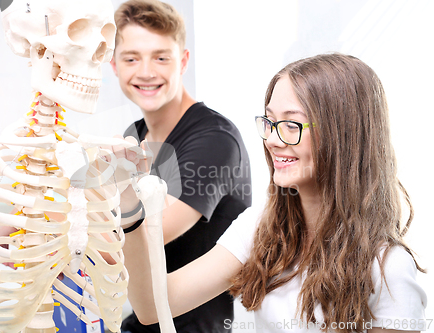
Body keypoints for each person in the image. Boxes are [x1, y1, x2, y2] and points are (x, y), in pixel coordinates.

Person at [120, 53, 427, 333]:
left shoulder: (388, 269)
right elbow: (152, 307)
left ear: (343, 133)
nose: (272, 140)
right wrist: (130, 211)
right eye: (269, 121)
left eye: (291, 125)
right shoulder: (259, 228)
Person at [109, 0, 252, 332]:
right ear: (114, 65)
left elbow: (147, 234)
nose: (145, 72)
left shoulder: (215, 139)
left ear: (183, 61)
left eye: (161, 57)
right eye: (131, 58)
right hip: (145, 319)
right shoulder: (137, 136)